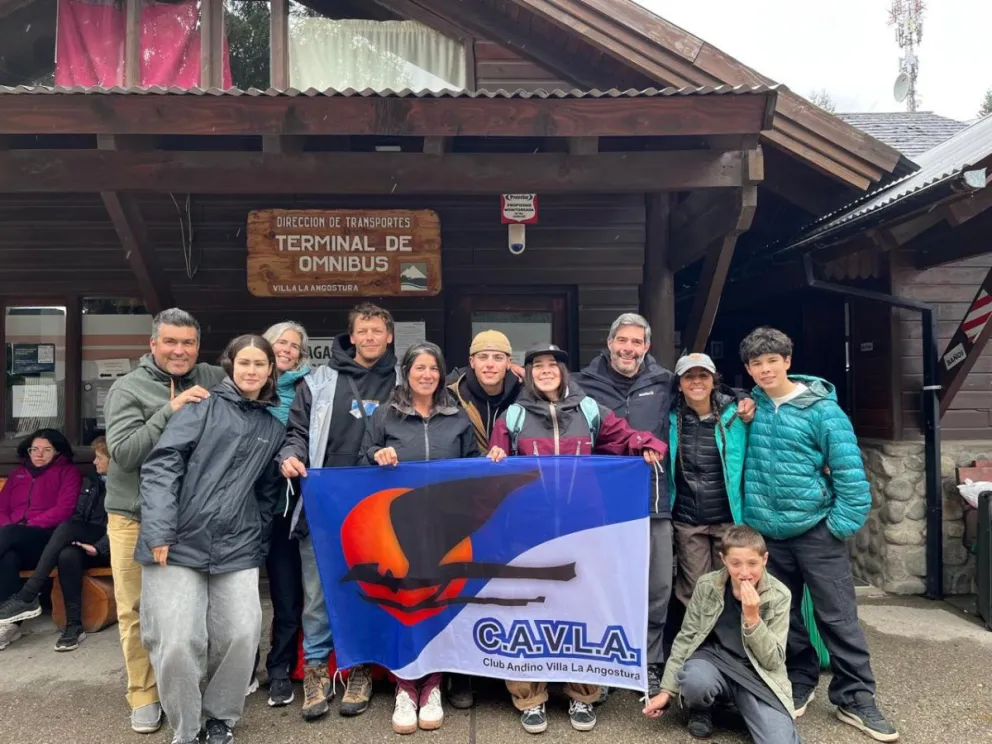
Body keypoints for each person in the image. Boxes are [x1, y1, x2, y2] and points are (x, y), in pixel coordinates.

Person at [487, 343, 667, 734]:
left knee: (585, 609)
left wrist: (646, 444)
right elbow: (496, 459)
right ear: (528, 373)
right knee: (528, 612)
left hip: (584, 528)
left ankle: (583, 694)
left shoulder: (589, 410)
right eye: (538, 365)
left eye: (553, 364)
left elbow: (622, 436)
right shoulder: (513, 415)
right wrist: (496, 455)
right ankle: (530, 697)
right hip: (531, 532)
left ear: (564, 371)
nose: (546, 370)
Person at [573, 313, 754, 698]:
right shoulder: (582, 383)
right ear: (609, 342)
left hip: (653, 500)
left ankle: (651, 661)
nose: (628, 348)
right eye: (622, 340)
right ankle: (607, 661)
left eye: (636, 342)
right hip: (602, 505)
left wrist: (743, 397)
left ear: (647, 347)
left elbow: (703, 390)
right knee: (604, 585)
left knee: (657, 587)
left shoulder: (663, 380)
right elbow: (545, 394)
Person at [740, 327, 897, 742]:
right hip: (769, 536)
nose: (765, 369)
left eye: (772, 361)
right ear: (749, 369)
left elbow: (851, 478)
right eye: (757, 363)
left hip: (816, 530)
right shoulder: (751, 407)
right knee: (785, 615)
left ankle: (855, 697)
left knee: (838, 616)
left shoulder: (823, 411)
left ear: (788, 361)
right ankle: (800, 678)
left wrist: (835, 529)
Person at [137, 334, 284, 744]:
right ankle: (187, 729)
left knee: (241, 633)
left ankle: (221, 718)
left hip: (237, 546)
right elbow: (163, 465)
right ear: (230, 366)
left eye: (259, 364)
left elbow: (266, 494)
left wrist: (257, 541)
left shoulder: (272, 427)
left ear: (270, 370)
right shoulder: (201, 406)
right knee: (178, 642)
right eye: (244, 363)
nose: (251, 371)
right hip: (176, 541)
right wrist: (159, 528)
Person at [103, 307, 225, 734]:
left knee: (190, 612)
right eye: (170, 342)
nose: (179, 350)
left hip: (189, 518)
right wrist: (169, 410)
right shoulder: (127, 388)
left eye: (187, 342)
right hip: (133, 517)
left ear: (198, 346)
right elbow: (124, 453)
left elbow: (255, 377)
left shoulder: (211, 378)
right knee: (137, 610)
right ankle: (143, 693)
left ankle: (189, 686)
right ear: (152, 344)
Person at [278, 302, 399, 722]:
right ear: (351, 336)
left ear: (389, 337)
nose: (370, 337)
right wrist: (290, 455)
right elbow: (296, 432)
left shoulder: (404, 379)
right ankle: (315, 671)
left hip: (380, 510)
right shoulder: (319, 380)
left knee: (367, 589)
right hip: (324, 504)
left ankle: (360, 670)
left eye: (377, 330)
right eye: (362, 330)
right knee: (318, 594)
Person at [361, 341, 480, 735]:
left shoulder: (457, 416)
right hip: (398, 528)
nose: (427, 375)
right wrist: (377, 455)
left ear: (441, 374)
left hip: (446, 528)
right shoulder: (385, 414)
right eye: (419, 368)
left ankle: (432, 686)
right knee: (404, 604)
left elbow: (472, 467)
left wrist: (493, 459)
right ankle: (404, 686)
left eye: (433, 368)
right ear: (406, 372)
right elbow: (363, 457)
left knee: (439, 605)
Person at [642, 525, 802, 744]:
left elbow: (773, 660)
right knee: (695, 680)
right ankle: (702, 708)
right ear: (723, 559)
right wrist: (666, 691)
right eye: (735, 563)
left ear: (764, 559)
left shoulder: (779, 595)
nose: (744, 572)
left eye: (752, 563)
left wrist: (753, 618)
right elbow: (686, 637)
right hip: (713, 661)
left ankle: (739, 708)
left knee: (780, 740)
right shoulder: (707, 585)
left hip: (755, 672)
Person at [444, 329, 523, 708]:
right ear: (471, 361)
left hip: (515, 503)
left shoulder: (527, 393)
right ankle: (462, 673)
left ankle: (507, 669)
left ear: (509, 362)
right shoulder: (449, 395)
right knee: (465, 586)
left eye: (498, 357)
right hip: (465, 503)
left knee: (509, 587)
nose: (491, 364)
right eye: (484, 357)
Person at [0, 436, 112, 651]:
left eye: (99, 458)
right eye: (34, 449)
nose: (94, 462)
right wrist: (75, 540)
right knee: (67, 554)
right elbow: (79, 515)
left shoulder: (125, 484)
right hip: (79, 538)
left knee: (65, 528)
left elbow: (126, 523)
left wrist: (99, 547)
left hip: (108, 543)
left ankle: (28, 594)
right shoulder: (92, 480)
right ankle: (73, 626)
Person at [257, 321, 311, 708]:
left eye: (294, 345)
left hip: (287, 508)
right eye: (281, 342)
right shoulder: (245, 385)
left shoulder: (308, 389)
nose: (287, 349)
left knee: (287, 594)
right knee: (237, 599)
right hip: (245, 507)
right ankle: (240, 668)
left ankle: (281, 668)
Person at [668, 353, 747, 606]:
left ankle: (729, 634)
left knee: (733, 587)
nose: (696, 381)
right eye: (688, 377)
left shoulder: (737, 415)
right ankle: (699, 633)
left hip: (728, 520)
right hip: (689, 522)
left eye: (703, 375)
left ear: (714, 381)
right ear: (679, 385)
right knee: (695, 591)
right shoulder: (669, 418)